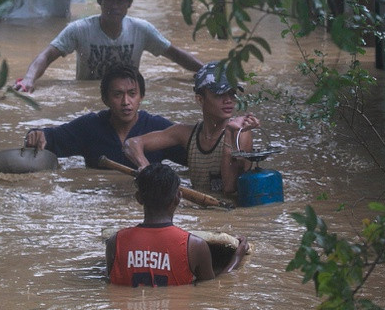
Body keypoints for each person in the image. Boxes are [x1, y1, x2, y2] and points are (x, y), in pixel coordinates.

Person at [14, 0, 202, 93]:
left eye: (121, 1)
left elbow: (175, 54)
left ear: (129, 4)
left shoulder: (141, 29)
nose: (114, 6)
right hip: (90, 91)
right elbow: (47, 55)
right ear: (99, 1)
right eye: (109, 0)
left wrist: (205, 72)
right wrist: (29, 80)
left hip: (128, 95)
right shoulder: (79, 29)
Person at [123, 61, 260, 196]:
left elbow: (229, 188)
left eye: (232, 93)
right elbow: (132, 143)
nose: (228, 100)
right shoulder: (186, 134)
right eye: (219, 94)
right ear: (200, 100)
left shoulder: (241, 133)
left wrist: (229, 133)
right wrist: (145, 168)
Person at [105, 163, 249, 286]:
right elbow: (212, 291)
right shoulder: (194, 246)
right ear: (178, 197)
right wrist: (237, 257)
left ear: (139, 198)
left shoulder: (114, 243)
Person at [24, 64, 186, 168]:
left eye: (132, 94)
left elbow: (195, 158)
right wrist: (35, 136)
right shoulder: (89, 127)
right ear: (105, 99)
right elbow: (48, 138)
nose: (126, 102)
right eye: (117, 95)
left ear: (141, 97)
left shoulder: (158, 128)